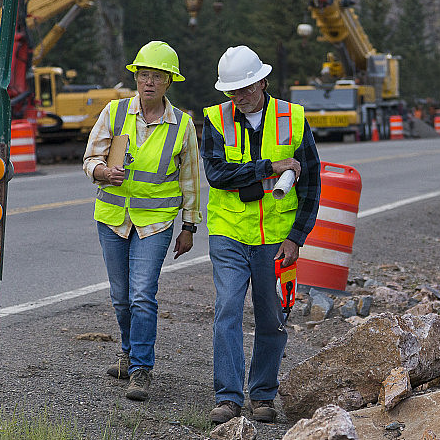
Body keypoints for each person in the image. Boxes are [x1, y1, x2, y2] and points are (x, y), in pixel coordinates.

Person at [201, 45, 321, 424]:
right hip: (229, 233)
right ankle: (229, 397)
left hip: (276, 238)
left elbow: (312, 185)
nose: (240, 97)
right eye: (233, 91)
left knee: (271, 317)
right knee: (228, 310)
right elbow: (217, 174)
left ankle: (264, 395)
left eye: (246, 88)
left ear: (262, 81)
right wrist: (268, 167)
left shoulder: (293, 118)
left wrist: (296, 238)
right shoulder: (217, 120)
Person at [83, 40, 202, 401]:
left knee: (141, 295)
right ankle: (127, 352)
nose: (148, 82)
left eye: (157, 77)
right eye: (144, 75)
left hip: (155, 222)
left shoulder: (182, 125)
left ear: (169, 82)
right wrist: (103, 172)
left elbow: (191, 179)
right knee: (121, 297)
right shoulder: (114, 113)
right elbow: (90, 159)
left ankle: (140, 370)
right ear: (136, 77)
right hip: (113, 218)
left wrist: (190, 226)